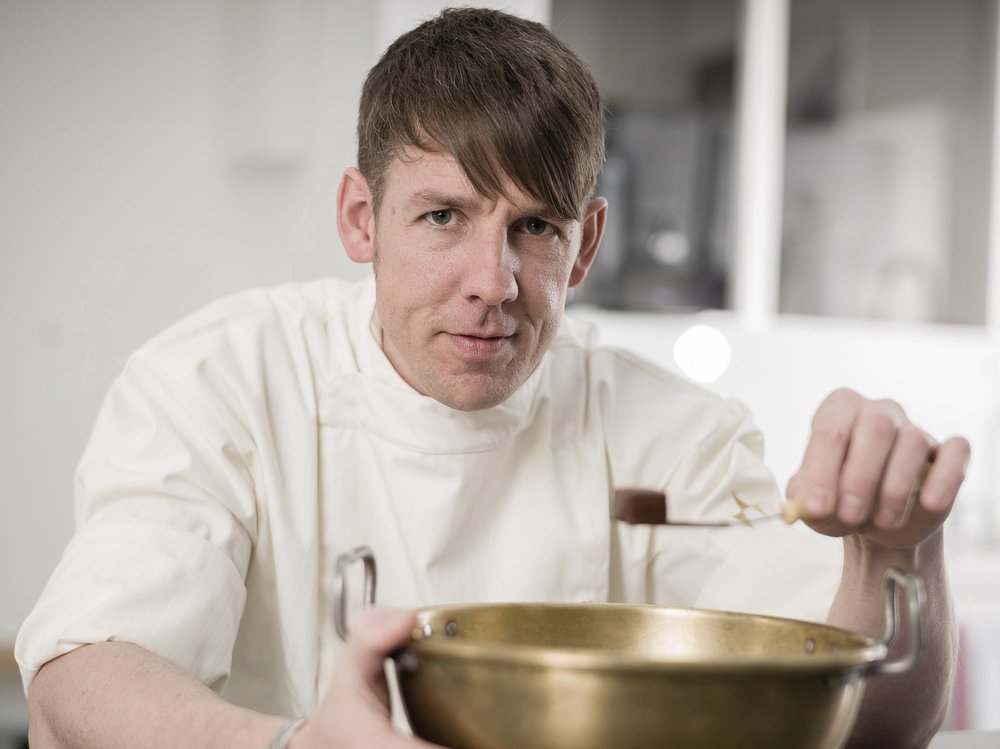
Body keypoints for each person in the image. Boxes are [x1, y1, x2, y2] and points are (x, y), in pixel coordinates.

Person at [17, 7, 969, 749]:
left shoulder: (670, 434)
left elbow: (864, 724)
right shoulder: (219, 380)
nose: (493, 284)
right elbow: (78, 676)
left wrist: (898, 554)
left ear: (585, 243)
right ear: (360, 217)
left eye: (534, 228)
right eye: (443, 217)